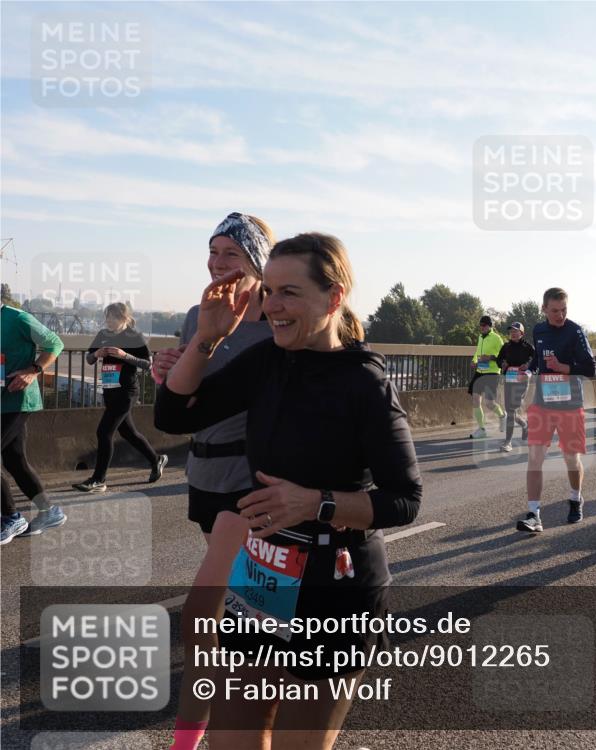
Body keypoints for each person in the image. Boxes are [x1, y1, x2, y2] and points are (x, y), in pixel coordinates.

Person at [154, 232, 421, 750]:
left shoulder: (364, 381)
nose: (272, 306)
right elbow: (171, 416)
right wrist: (207, 339)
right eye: (270, 291)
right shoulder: (268, 361)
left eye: (290, 293)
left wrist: (315, 502)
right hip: (259, 581)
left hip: (334, 589)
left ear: (333, 297)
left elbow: (405, 499)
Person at [150, 212, 276, 750]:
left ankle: (194, 736)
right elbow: (185, 398)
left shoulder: (278, 319)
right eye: (213, 251)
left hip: (250, 476)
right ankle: (254, 701)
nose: (217, 263)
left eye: (232, 254)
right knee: (240, 607)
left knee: (206, 611)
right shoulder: (198, 314)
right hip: (203, 469)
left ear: (258, 263)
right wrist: (170, 372)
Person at [517, 288, 596, 533]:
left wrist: (564, 367)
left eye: (564, 310)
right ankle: (534, 514)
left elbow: (590, 367)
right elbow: (539, 360)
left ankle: (575, 498)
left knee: (571, 458)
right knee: (535, 458)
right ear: (544, 309)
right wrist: (529, 371)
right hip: (543, 403)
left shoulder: (576, 332)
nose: (560, 315)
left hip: (570, 404)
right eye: (555, 311)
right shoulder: (539, 330)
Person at [71, 302, 167, 493]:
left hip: (127, 392)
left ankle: (99, 480)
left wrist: (124, 355)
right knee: (128, 433)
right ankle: (156, 459)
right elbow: (89, 359)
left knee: (104, 432)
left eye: (113, 317)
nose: (109, 321)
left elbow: (147, 365)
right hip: (109, 390)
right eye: (107, 317)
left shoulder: (133, 336)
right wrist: (97, 353)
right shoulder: (103, 334)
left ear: (124, 318)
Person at [1, 305, 66, 542]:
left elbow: (55, 343)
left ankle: (10, 517)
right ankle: (50, 512)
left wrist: (33, 370)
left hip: (19, 401)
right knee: (14, 460)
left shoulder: (17, 317)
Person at [496, 322, 533, 452]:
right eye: (511, 331)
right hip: (509, 380)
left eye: (515, 331)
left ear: (521, 333)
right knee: (510, 411)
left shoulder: (528, 347)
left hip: (522, 382)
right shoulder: (506, 347)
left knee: (512, 410)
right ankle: (525, 424)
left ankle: (508, 442)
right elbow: (498, 360)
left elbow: (536, 361)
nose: (513, 333)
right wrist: (503, 364)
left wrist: (528, 367)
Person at [468, 315, 506, 439]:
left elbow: (503, 356)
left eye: (484, 325)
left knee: (489, 403)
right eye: (481, 325)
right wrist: (474, 361)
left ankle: (502, 416)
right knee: (475, 400)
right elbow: (477, 352)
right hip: (480, 371)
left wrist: (490, 357)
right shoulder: (480, 337)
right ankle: (482, 429)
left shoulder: (497, 338)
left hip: (492, 373)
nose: (482, 327)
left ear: (490, 326)